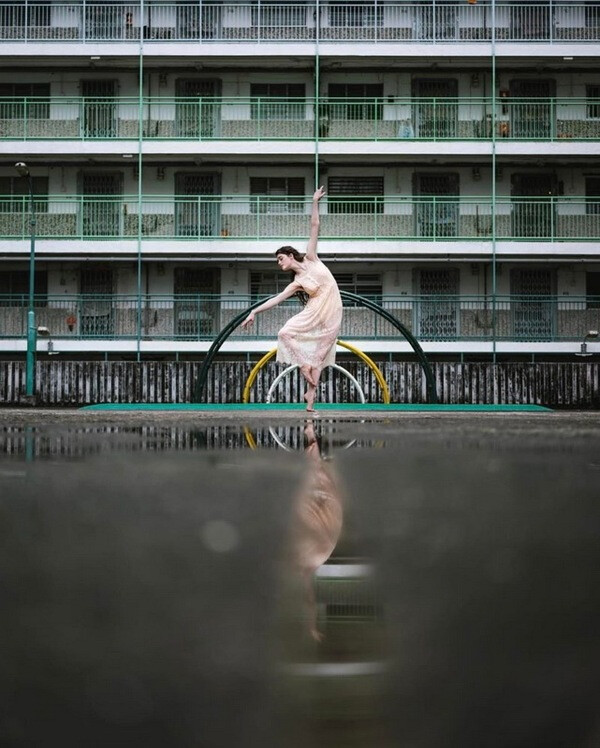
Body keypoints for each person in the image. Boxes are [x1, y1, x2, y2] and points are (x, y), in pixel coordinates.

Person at [241, 186, 343, 412]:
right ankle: (304, 365)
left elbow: (315, 226)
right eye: (277, 260)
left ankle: (310, 396)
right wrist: (254, 312)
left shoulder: (311, 258)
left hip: (332, 310)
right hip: (314, 311)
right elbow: (277, 299)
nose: (279, 263)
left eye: (280, 259)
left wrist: (315, 201)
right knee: (285, 332)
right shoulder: (296, 281)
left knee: (320, 354)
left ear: (289, 255)